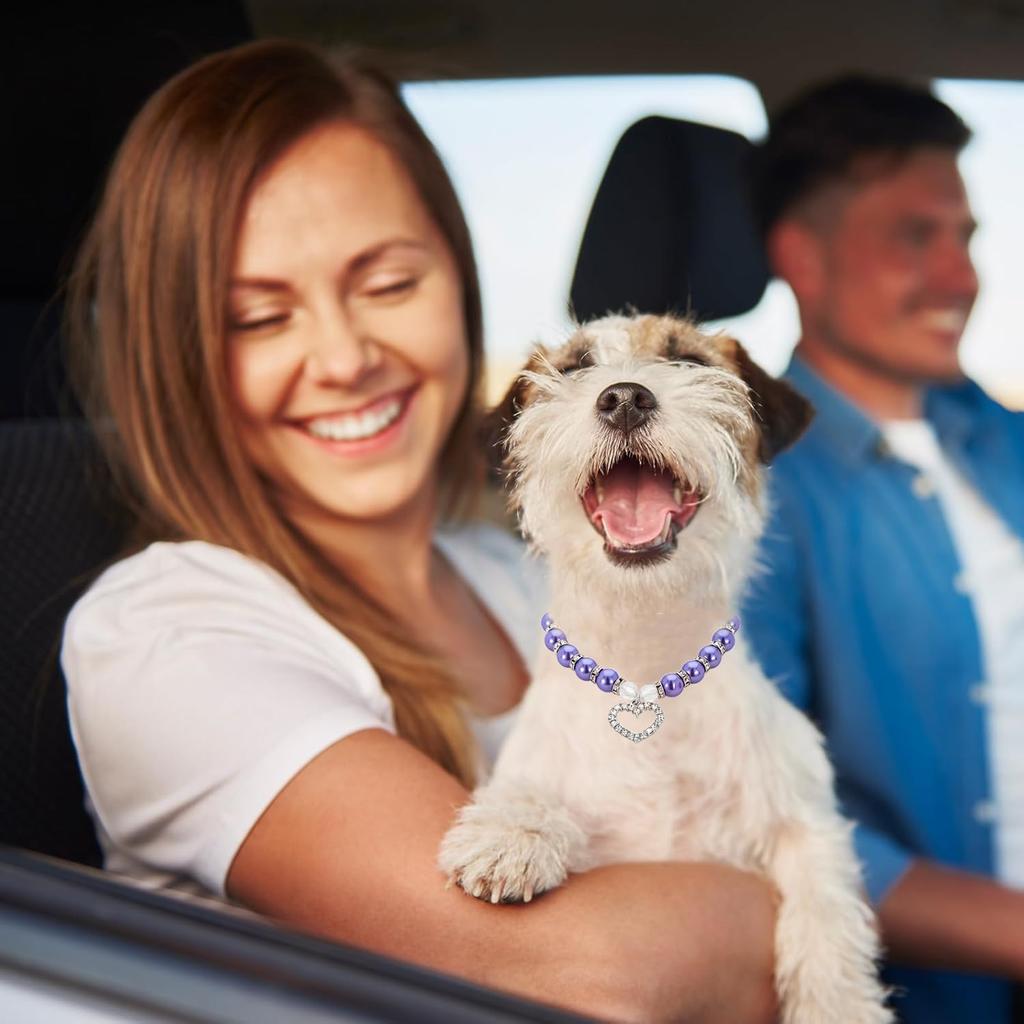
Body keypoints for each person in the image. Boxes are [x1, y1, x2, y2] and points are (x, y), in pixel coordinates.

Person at [59, 40, 777, 1023]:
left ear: (459, 284)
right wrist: (780, 906)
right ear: (181, 360)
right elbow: (586, 971)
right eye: (260, 317)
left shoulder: (519, 575)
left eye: (390, 285)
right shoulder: (164, 632)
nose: (346, 357)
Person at [742, 74, 1024, 1024]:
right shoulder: (750, 500)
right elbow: (762, 816)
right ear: (803, 260)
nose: (962, 276)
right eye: (917, 236)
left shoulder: (1004, 442)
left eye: (967, 238)